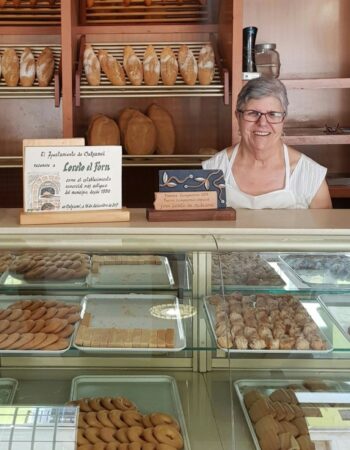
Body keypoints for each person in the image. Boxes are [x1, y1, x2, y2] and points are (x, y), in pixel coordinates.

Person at [203, 77, 332, 209]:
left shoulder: (311, 176)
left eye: (272, 114)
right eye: (253, 113)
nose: (262, 123)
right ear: (238, 116)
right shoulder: (210, 171)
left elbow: (325, 228)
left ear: (283, 119)